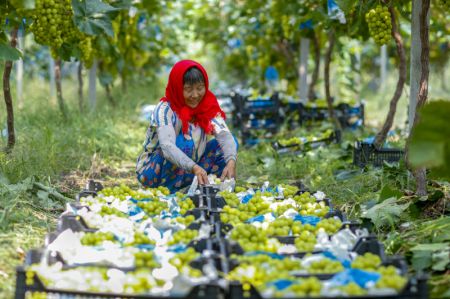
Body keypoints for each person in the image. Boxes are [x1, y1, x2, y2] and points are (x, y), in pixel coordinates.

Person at [136, 60, 238, 193]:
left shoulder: (207, 106)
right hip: (154, 173)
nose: (195, 95)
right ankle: (171, 191)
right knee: (185, 142)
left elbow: (224, 135)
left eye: (200, 88)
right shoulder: (165, 109)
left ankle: (200, 186)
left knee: (228, 145)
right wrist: (194, 167)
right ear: (178, 88)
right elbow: (167, 146)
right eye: (188, 90)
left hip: (189, 169)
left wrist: (231, 161)